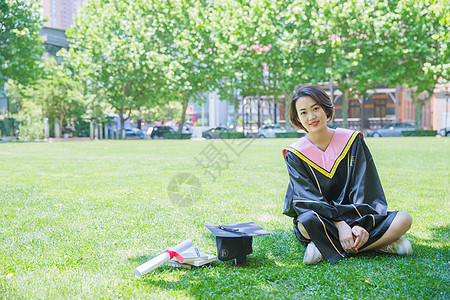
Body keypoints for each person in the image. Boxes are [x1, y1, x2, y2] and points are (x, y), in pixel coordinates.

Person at [283, 85, 413, 265]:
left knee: (404, 219)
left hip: (357, 214)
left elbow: (365, 186)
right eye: (303, 113)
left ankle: (324, 247)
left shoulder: (351, 141)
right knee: (305, 224)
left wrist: (361, 224)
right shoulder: (295, 153)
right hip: (323, 218)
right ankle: (380, 244)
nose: (311, 117)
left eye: (315, 109)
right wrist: (339, 224)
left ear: (325, 109)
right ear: (297, 118)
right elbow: (307, 198)